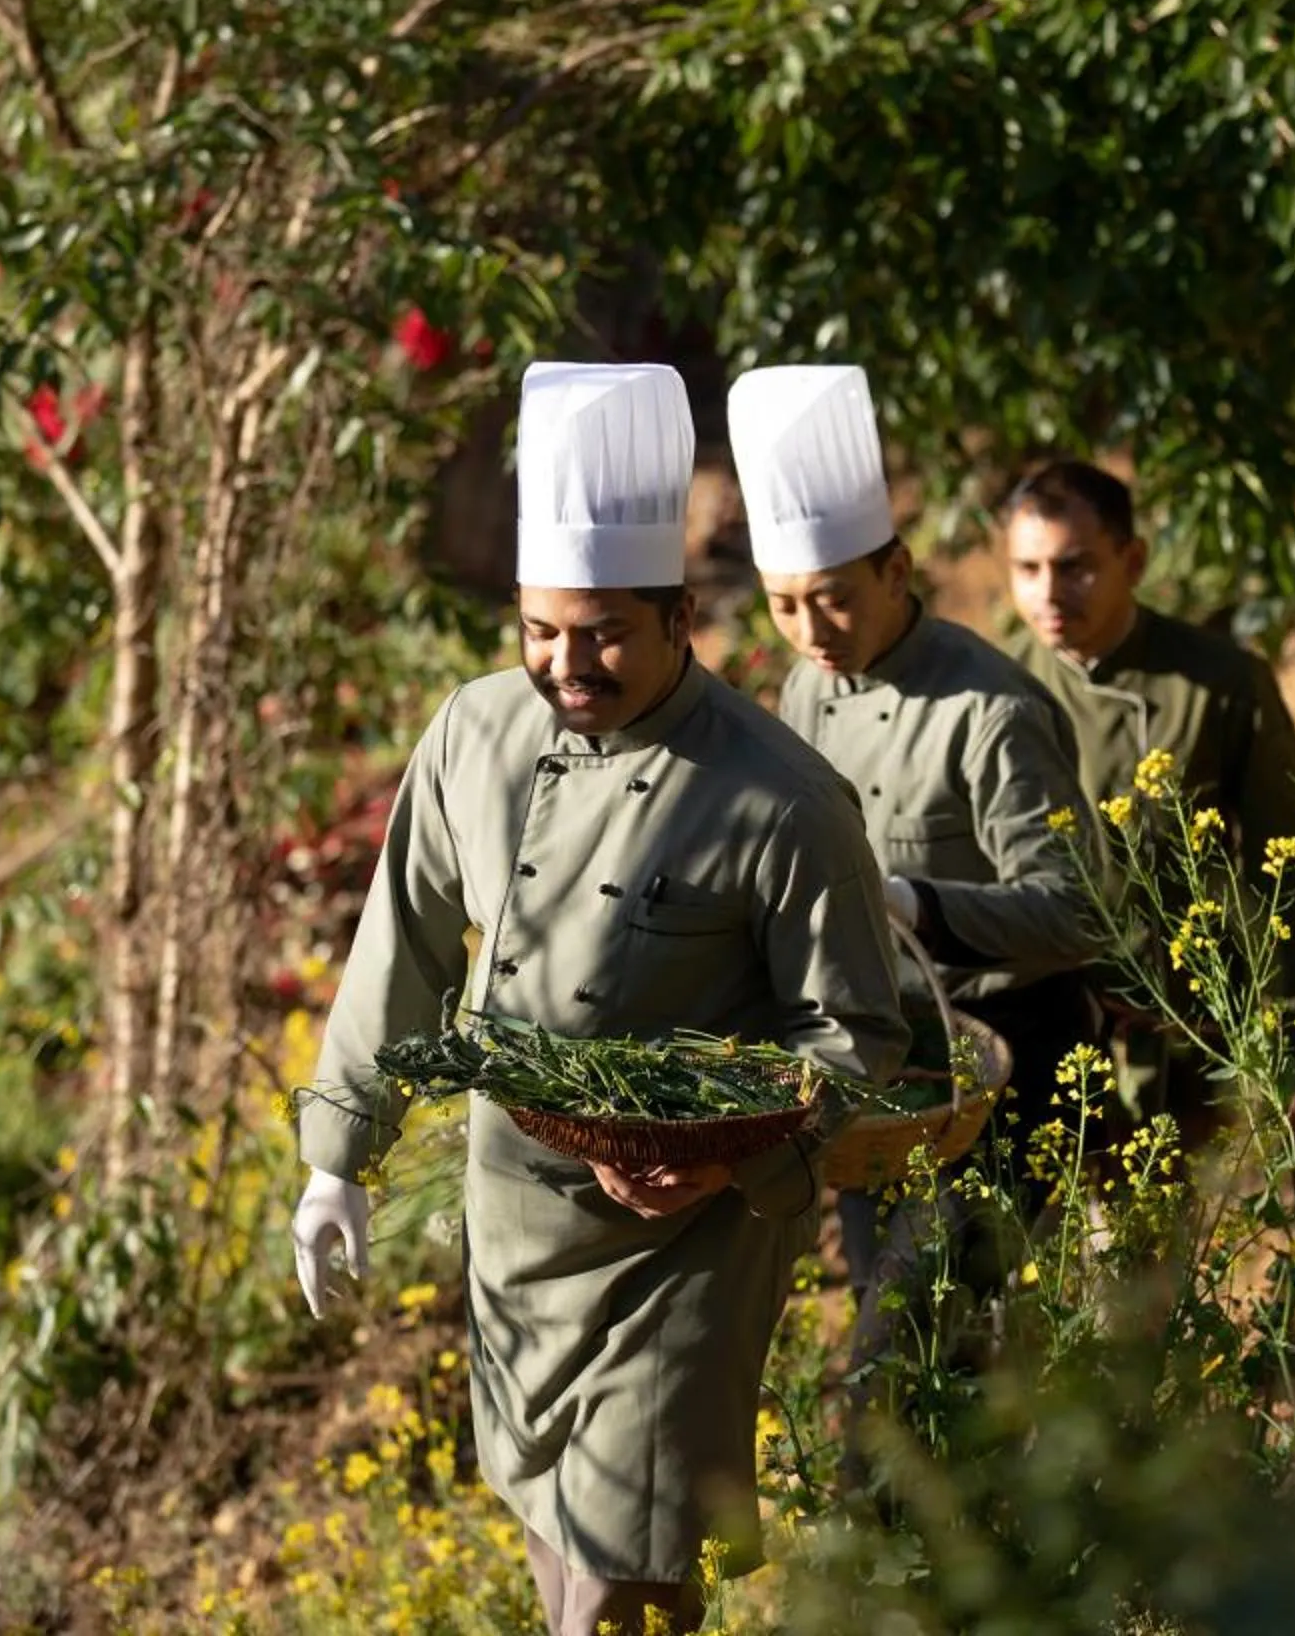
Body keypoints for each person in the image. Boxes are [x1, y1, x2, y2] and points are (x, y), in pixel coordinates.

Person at [289, 361, 908, 1636]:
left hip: (688, 1246)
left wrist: (735, 1154)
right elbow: (399, 939)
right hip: (517, 1232)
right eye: (540, 630)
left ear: (681, 613)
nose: (566, 663)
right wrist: (337, 1156)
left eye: (604, 633)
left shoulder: (779, 797)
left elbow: (855, 1037)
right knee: (561, 1564)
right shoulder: (472, 734)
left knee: (621, 1591)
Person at [727, 365, 1101, 1246]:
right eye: (784, 606)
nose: (812, 631)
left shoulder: (991, 712)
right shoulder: (806, 690)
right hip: (884, 1056)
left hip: (1008, 1054)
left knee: (932, 1334)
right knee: (881, 1297)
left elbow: (1079, 910)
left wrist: (913, 904)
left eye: (834, 600)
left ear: (896, 570)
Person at [997, 460, 1295, 1146]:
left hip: (1201, 1032)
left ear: (1133, 560)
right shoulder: (996, 689)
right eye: (1028, 570)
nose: (1049, 594)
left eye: (1075, 567)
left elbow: (1288, 867)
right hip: (1049, 1039)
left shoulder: (1219, 683)